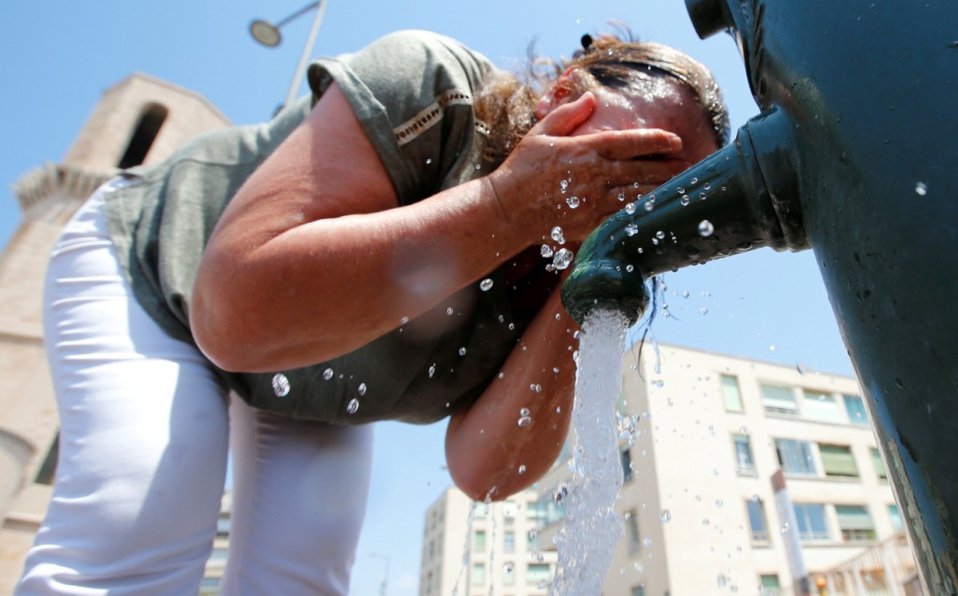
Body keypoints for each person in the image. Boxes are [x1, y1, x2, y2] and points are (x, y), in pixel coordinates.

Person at [18, 28, 728, 595]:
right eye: (633, 158)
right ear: (562, 99)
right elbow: (236, 314)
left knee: (300, 572)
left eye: (664, 198)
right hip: (156, 264)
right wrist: (514, 206)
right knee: (135, 526)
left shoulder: (565, 274)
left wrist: (591, 279)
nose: (628, 196)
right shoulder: (435, 90)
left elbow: (489, 473)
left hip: (305, 369)